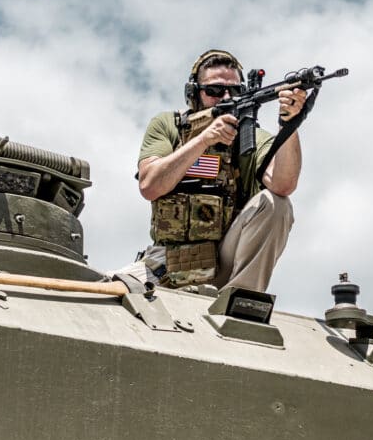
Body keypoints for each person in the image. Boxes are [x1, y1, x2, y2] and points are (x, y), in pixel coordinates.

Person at [129, 49, 306, 292]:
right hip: (167, 262)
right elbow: (150, 185)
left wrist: (289, 126)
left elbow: (283, 185)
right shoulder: (169, 125)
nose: (224, 97)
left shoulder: (251, 138)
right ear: (193, 93)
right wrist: (204, 139)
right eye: (213, 91)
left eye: (233, 91)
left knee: (276, 204)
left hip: (224, 261)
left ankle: (236, 301)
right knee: (103, 294)